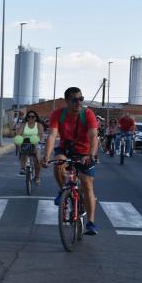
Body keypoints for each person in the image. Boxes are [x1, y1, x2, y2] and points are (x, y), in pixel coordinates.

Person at [42, 87, 99, 235]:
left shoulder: (88, 114)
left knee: (87, 185)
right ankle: (62, 190)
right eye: (75, 100)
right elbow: (52, 136)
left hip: (85, 152)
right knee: (59, 162)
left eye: (81, 99)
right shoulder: (58, 114)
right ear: (67, 101)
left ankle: (91, 223)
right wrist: (47, 157)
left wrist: (91, 155)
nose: (79, 102)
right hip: (66, 149)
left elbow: (93, 136)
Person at [16, 110, 44, 183]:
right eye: (29, 116)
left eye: (33, 116)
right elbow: (18, 134)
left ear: (35, 118)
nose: (31, 118)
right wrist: (18, 140)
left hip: (36, 142)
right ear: (27, 118)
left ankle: (37, 177)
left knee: (37, 160)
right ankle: (22, 168)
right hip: (25, 142)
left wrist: (41, 141)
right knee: (22, 151)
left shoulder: (38, 125)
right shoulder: (23, 125)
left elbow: (41, 135)